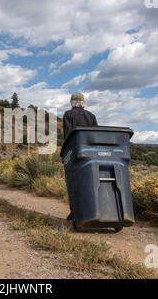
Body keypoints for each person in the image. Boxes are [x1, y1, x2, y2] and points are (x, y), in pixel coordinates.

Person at [62, 92, 98, 221]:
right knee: (90, 182)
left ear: (72, 102)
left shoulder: (68, 115)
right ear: (83, 102)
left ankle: (75, 212)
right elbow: (95, 136)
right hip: (91, 154)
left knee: (73, 182)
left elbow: (67, 136)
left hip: (75, 153)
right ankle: (92, 210)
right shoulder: (91, 116)